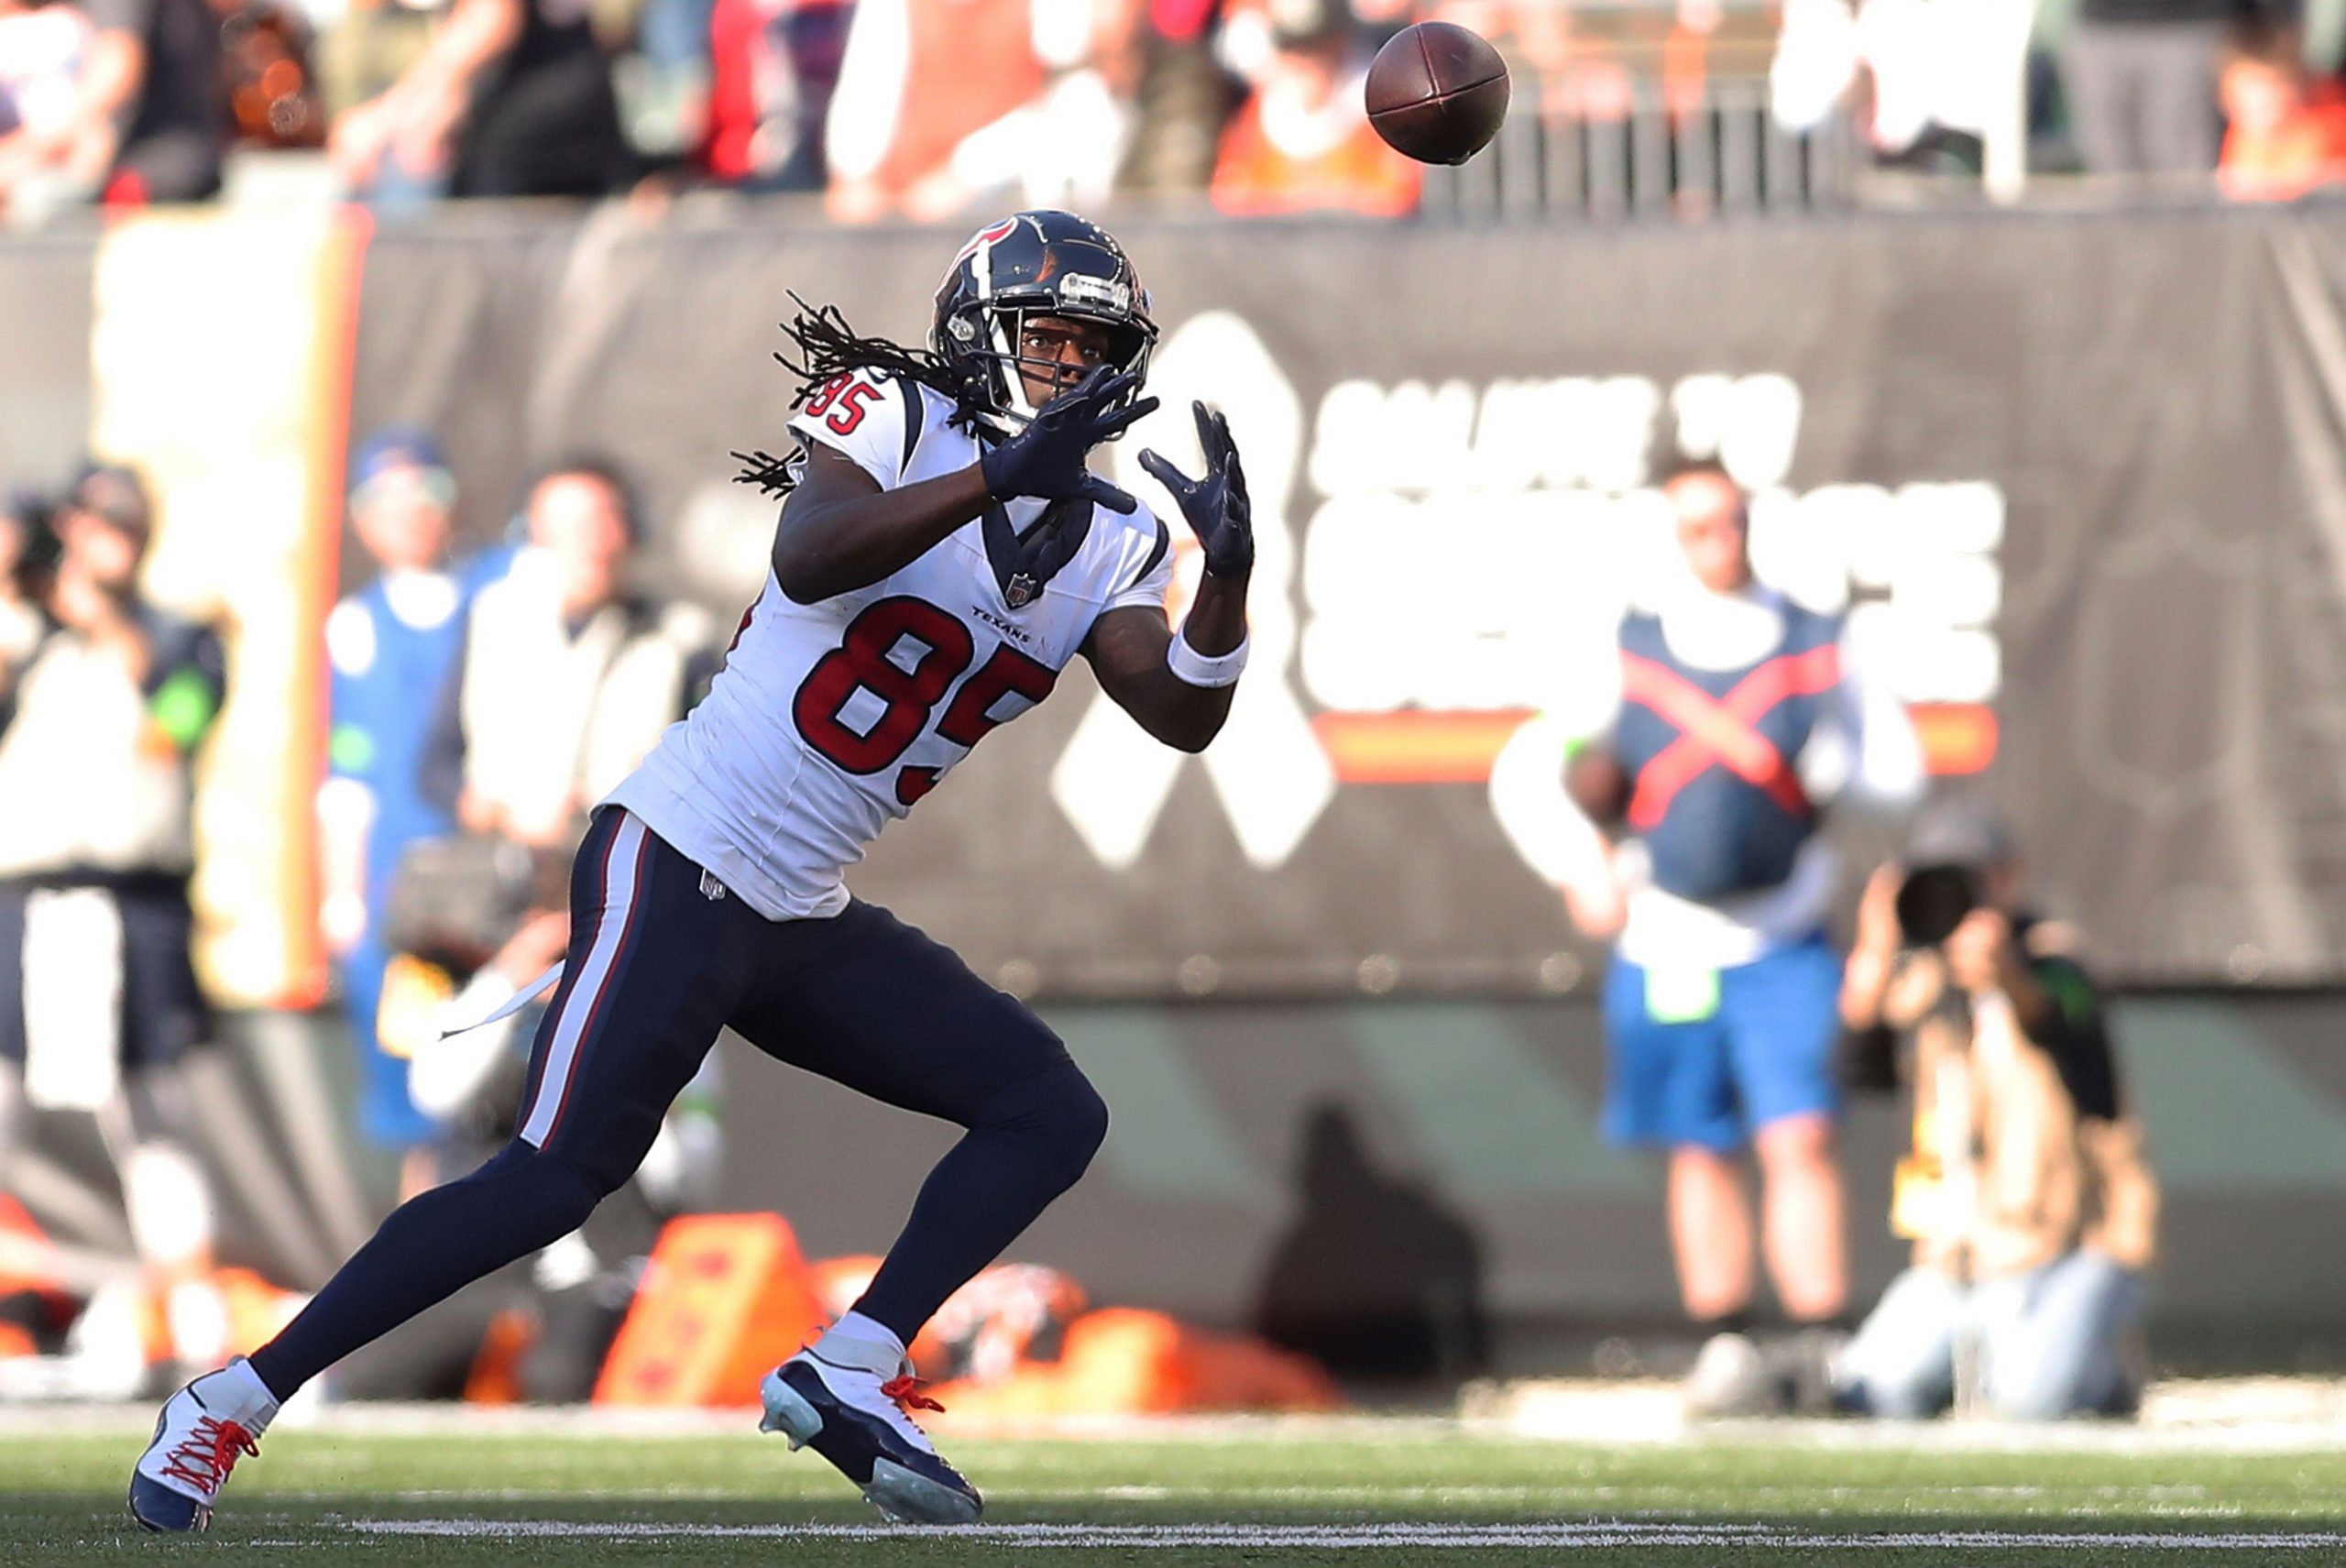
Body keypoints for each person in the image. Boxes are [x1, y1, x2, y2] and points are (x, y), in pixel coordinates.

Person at [130, 207, 1257, 1530]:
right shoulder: (895, 408)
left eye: (1090, 346)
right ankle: (230, 1400)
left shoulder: (1116, 535)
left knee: (1048, 1107)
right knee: (553, 1175)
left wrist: (1227, 581)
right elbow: (812, 548)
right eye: (1046, 336)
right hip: (682, 849)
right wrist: (1000, 477)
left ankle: (853, 1361)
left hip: (800, 902)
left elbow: (1178, 708)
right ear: (980, 333)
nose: (1067, 367)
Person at [1487, 455, 1924, 1415]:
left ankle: (1820, 1345)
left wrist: (1836, 768)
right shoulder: (1628, 651)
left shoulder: (1815, 644)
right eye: (1696, 526)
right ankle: (1725, 1343)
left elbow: (1900, 772)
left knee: (1800, 1137)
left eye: (1729, 522)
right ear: (1670, 536)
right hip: (1668, 939)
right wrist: (1580, 865)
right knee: (1697, 1144)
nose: (1717, 541)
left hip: (1785, 931)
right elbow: (1526, 769)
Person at [0, 466, 231, 1376]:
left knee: (150, 1116)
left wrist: (104, 622)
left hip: (132, 902)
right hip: (22, 899)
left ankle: (198, 1321)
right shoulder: (26, 636)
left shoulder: (184, 638)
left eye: (122, 524)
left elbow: (176, 725)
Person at [1833, 799, 2159, 1420]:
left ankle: (2103, 1369)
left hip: (2071, 1247)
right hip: (1959, 1256)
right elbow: (1855, 1068)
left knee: (2033, 1401)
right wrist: (1877, 943)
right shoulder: (1921, 980)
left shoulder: (2055, 960)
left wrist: (2005, 974)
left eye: (1969, 879)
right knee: (1874, 1389)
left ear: (2005, 878)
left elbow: (2078, 1047)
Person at [319, 430, 476, 1179]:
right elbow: (347, 775)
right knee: (422, 1088)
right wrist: (344, 898)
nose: (410, 514)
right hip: (409, 909)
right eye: (388, 500)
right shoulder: (355, 628)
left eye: (427, 494)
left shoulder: (501, 599)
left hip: (505, 889)